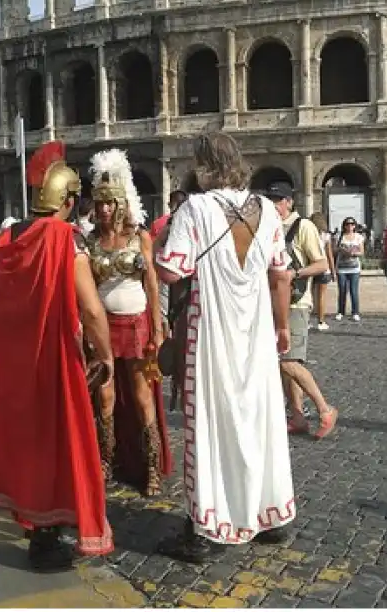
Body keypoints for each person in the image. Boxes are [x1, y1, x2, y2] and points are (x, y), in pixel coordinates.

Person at [153, 132, 295, 563]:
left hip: (211, 330)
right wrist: (282, 327)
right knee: (259, 419)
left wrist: (153, 245)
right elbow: (280, 273)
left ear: (203, 164)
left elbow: (170, 271)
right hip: (255, 331)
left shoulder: (195, 208)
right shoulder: (267, 210)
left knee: (212, 425)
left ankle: (207, 529)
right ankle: (269, 516)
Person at [0, 141, 114, 571]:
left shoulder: (4, 239)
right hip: (52, 358)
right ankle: (47, 537)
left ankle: (32, 522)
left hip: (9, 364)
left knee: (25, 444)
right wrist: (106, 356)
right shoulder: (64, 240)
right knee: (58, 444)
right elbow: (92, 310)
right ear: (70, 201)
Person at [87, 148, 172, 497]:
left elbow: (152, 283)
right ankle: (106, 462)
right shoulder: (90, 240)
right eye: (100, 203)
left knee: (141, 396)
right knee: (104, 398)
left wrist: (156, 326)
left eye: (110, 203)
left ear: (122, 203)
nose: (105, 209)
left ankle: (151, 466)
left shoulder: (141, 237)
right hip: (104, 328)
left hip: (136, 325)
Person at [267, 183, 338, 439]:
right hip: (274, 303)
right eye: (270, 198)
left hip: (296, 303)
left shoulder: (304, 226)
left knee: (288, 362)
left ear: (289, 201)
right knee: (285, 363)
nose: (273, 204)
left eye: (278, 199)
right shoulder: (269, 227)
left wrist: (294, 274)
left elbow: (320, 264)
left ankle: (325, 409)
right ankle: (296, 415)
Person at [150, 190, 188, 338]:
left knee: (165, 307)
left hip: (164, 269)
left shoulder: (160, 222)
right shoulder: (191, 222)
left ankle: (167, 334)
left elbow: (154, 247)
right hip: (185, 273)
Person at [309, 212, 336, 331]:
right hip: (324, 266)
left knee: (308, 295)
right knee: (321, 296)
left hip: (311, 266)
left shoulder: (309, 234)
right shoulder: (326, 236)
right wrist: (333, 270)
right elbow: (329, 255)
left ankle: (307, 320)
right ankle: (321, 321)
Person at [335, 217, 364, 321]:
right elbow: (335, 249)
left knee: (354, 291)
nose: (349, 226)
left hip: (354, 268)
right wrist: (342, 250)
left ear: (355, 226)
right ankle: (340, 311)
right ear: (344, 225)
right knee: (342, 290)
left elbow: (362, 251)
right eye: (347, 224)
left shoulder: (358, 237)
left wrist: (353, 253)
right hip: (342, 268)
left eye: (352, 224)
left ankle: (355, 312)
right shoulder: (340, 236)